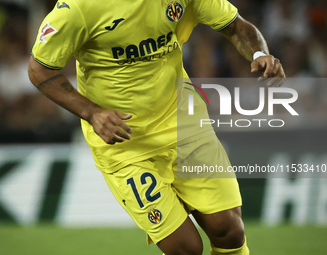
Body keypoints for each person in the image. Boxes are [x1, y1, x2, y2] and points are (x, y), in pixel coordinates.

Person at [28, 0, 285, 254]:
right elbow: (39, 68)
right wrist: (92, 113)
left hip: (186, 126)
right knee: (185, 248)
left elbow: (235, 25)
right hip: (126, 144)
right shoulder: (79, 8)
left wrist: (260, 53)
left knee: (229, 230)